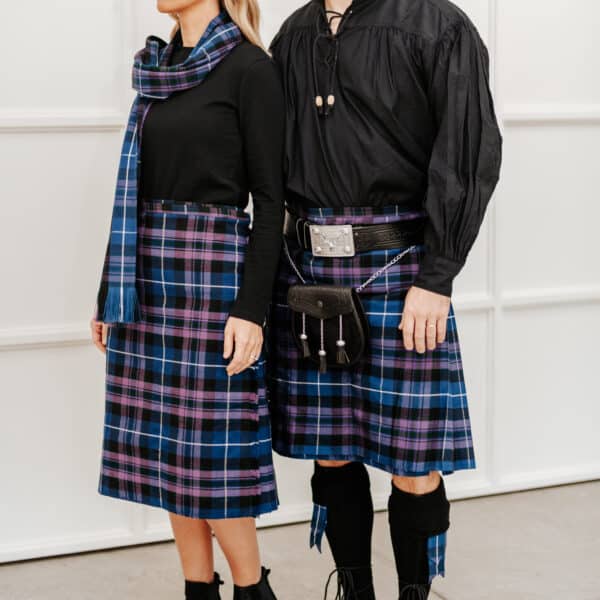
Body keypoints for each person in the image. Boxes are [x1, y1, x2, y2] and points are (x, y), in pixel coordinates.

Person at [267, 0, 502, 598]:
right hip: (307, 266)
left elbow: (468, 150)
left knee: (413, 463)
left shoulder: (436, 23)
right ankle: (354, 590)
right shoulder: (294, 33)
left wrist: (438, 275)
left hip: (401, 267)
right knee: (331, 453)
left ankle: (415, 594)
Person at [90, 1, 284, 598]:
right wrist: (108, 292)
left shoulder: (251, 68)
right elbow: (133, 195)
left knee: (213, 462)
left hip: (213, 279)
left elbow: (272, 201)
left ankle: (253, 590)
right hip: (148, 277)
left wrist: (251, 310)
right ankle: (198, 589)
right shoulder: (157, 68)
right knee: (170, 460)